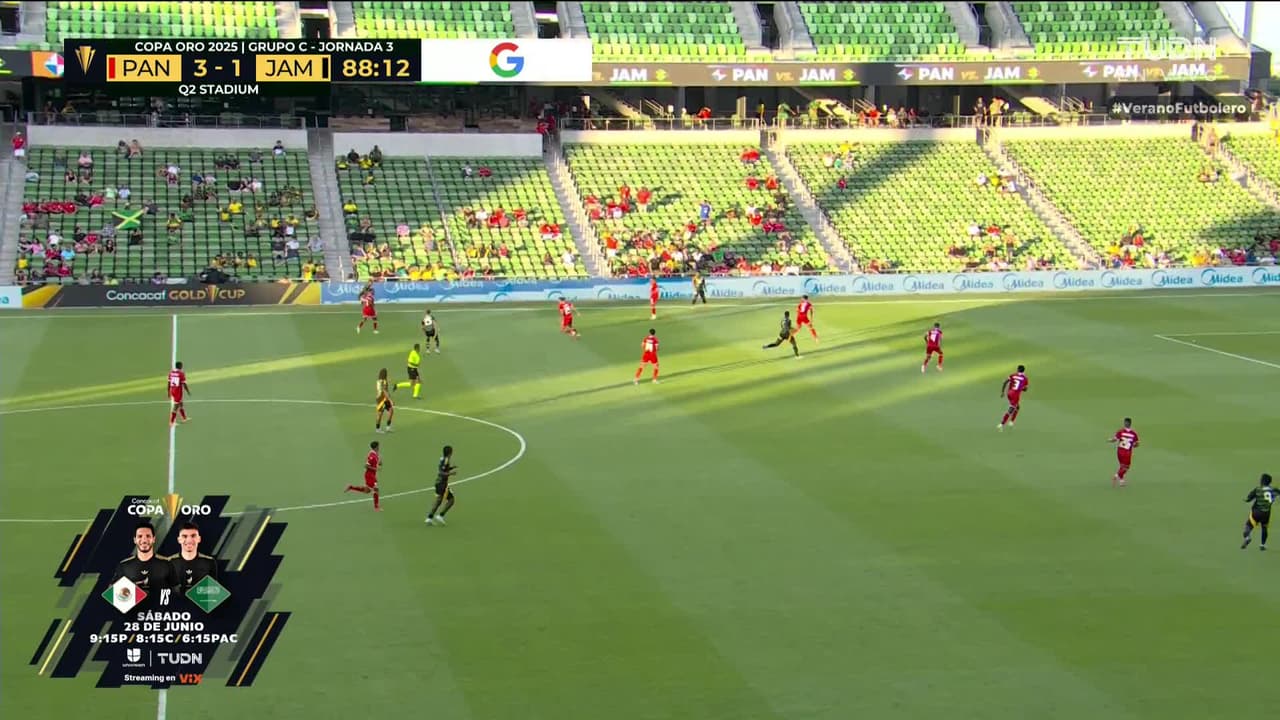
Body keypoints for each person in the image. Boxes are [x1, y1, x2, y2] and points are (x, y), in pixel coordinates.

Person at [113, 520, 179, 606]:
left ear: (153, 539)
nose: (144, 540)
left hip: (160, 615)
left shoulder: (166, 564)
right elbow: (117, 596)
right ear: (135, 540)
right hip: (134, 616)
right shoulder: (124, 566)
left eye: (148, 536)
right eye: (140, 536)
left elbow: (176, 593)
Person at [166, 521, 218, 592]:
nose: (189, 540)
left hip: (199, 602)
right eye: (184, 536)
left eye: (193, 536)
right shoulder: (168, 563)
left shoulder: (209, 562)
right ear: (179, 540)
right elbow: (164, 591)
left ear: (199, 539)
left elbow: (213, 592)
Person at [1242, 473, 1278, 550]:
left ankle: (1247, 537)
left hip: (1256, 512)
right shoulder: (1273, 490)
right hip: (1266, 513)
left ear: (1262, 481)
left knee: (1248, 525)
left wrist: (1246, 500)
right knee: (1264, 528)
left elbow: (1249, 498)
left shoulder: (1258, 489)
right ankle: (1262, 545)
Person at [344, 441, 382, 512]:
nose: (379, 447)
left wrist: (379, 463)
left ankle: (351, 487)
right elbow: (366, 466)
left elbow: (377, 463)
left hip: (372, 475)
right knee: (376, 489)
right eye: (378, 446)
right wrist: (376, 468)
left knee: (367, 490)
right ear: (376, 447)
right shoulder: (372, 456)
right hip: (369, 475)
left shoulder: (375, 454)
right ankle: (376, 507)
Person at [425, 445, 458, 525]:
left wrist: (451, 468)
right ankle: (441, 515)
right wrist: (451, 473)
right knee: (451, 500)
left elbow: (443, 469)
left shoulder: (442, 459)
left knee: (438, 500)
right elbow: (441, 472)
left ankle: (429, 518)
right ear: (450, 452)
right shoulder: (446, 460)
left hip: (438, 483)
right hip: (442, 484)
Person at [1108, 417, 1139, 487]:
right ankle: (1116, 476)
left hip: (1119, 451)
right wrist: (1134, 445)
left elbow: (1114, 439)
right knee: (1126, 467)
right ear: (1130, 424)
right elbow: (1137, 444)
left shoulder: (1121, 431)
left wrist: (1110, 440)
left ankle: (1122, 481)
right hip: (1127, 452)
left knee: (1122, 466)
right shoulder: (1133, 433)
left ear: (1125, 423)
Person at [997, 365, 1029, 430]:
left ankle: (1011, 422)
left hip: (1009, 393)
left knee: (1017, 407)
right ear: (1024, 370)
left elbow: (1005, 382)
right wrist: (1021, 388)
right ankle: (1001, 424)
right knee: (1011, 409)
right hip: (1015, 395)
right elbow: (1025, 389)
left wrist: (1002, 392)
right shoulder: (1025, 378)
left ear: (1017, 369)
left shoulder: (1012, 375)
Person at [168, 361, 191, 426]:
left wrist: (168, 391)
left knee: (181, 404)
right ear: (180, 366)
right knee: (176, 406)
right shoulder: (181, 374)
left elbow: (169, 383)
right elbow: (184, 384)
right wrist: (188, 391)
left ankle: (184, 418)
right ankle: (171, 422)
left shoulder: (171, 373)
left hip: (173, 390)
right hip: (178, 392)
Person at [374, 368, 394, 433]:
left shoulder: (378, 381)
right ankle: (385, 427)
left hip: (379, 398)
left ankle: (379, 428)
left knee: (384, 412)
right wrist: (390, 400)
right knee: (388, 411)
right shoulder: (384, 381)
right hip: (383, 398)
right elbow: (385, 391)